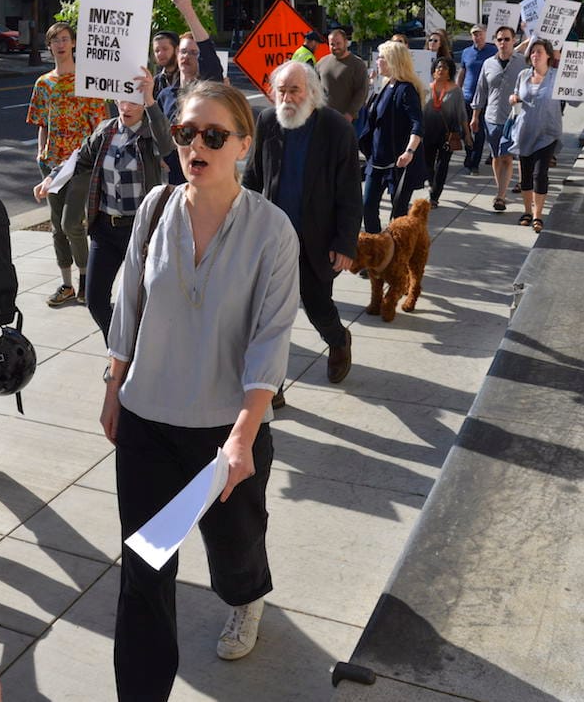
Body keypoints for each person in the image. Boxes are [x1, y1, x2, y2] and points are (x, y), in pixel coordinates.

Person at [101, 81, 298, 700]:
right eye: (187, 133)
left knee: (236, 551)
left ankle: (246, 599)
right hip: (148, 427)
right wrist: (114, 387)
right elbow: (128, 302)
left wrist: (243, 436)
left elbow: (272, 339)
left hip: (225, 435)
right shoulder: (156, 209)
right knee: (145, 572)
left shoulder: (272, 231)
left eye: (214, 135)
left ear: (244, 143)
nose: (197, 146)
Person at [243, 61, 360, 400]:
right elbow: (253, 177)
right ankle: (270, 388)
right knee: (268, 319)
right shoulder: (267, 121)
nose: (286, 98)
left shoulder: (337, 130)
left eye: (294, 90)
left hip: (316, 240)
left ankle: (338, 340)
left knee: (318, 306)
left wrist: (345, 243)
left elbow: (350, 191)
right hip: (270, 241)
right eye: (280, 90)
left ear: (312, 92)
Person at [34, 70, 172, 343]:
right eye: (122, 100)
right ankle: (118, 349)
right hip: (105, 230)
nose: (126, 107)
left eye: (134, 101)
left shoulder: (150, 133)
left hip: (140, 233)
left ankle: (140, 356)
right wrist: (52, 177)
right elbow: (80, 159)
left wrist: (151, 101)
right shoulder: (106, 130)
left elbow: (167, 145)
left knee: (141, 304)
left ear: (143, 102)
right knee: (95, 300)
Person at [26, 21, 109, 307]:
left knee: (72, 222)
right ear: (49, 46)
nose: (60, 44)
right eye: (54, 40)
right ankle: (67, 285)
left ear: (73, 43)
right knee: (57, 227)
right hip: (51, 164)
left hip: (81, 164)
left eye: (64, 39)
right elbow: (41, 122)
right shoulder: (44, 83)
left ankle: (87, 281)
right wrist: (40, 153)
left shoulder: (87, 81)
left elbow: (100, 126)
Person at [509, 39, 584, 233]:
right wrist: (512, 99)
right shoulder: (523, 75)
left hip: (548, 133)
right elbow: (515, 95)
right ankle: (527, 211)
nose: (535, 55)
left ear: (548, 55)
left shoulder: (557, 77)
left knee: (540, 174)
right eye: (533, 52)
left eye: (539, 51)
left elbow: (575, 102)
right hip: (525, 131)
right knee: (525, 175)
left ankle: (538, 215)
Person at [153, 0, 226, 186]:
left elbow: (209, 56)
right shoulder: (165, 95)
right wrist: (157, 156)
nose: (187, 57)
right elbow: (153, 133)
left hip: (202, 178)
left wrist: (188, 11)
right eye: (183, 51)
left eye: (194, 53)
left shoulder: (208, 91)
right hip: (169, 181)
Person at [359, 41, 427, 233]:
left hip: (397, 163)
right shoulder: (386, 85)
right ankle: (376, 246)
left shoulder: (406, 89)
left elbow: (418, 124)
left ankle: (396, 255)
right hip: (377, 160)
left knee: (398, 214)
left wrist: (409, 151)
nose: (377, 61)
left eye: (381, 57)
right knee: (368, 206)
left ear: (392, 61)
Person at [470, 25, 527, 212]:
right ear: (495, 42)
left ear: (514, 41)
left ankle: (500, 196)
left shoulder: (523, 62)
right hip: (491, 117)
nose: (503, 43)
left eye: (507, 39)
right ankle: (500, 189)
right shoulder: (488, 63)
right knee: (496, 156)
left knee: (507, 157)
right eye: (500, 39)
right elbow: (481, 90)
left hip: (514, 117)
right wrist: (475, 116)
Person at [418, 59, 473, 208]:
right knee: (427, 163)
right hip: (428, 132)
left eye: (445, 68)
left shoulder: (456, 91)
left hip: (447, 134)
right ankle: (431, 183)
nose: (441, 70)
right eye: (438, 67)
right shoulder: (425, 88)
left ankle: (435, 196)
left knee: (442, 165)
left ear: (450, 72)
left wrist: (467, 135)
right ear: (433, 71)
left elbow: (462, 114)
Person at [457, 25, 497, 175]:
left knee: (478, 132)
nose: (477, 37)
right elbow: (462, 72)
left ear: (485, 35)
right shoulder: (467, 52)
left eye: (479, 34)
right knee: (465, 130)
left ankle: (474, 163)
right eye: (474, 34)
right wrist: (457, 89)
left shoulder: (493, 51)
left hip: (484, 99)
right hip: (467, 97)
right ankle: (469, 154)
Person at [318, 29, 368, 121]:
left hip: (348, 120)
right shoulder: (321, 63)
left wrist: (350, 114)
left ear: (346, 42)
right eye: (332, 44)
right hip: (324, 119)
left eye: (338, 43)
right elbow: (314, 87)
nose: (335, 47)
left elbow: (362, 91)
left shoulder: (357, 64)